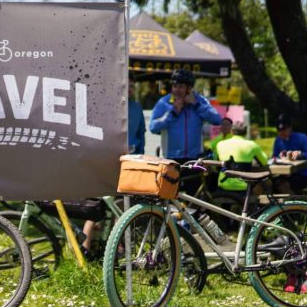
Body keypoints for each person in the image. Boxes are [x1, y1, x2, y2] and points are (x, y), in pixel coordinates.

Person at [82, 79, 145, 257]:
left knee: (121, 206)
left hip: (129, 162)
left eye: (132, 85)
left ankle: (117, 249)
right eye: (126, 85)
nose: (130, 89)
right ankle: (84, 249)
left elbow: (141, 134)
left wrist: (138, 158)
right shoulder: (107, 106)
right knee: (97, 205)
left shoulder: (136, 108)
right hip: (107, 162)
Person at [149, 69, 222, 194]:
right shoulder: (164, 102)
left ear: (190, 88)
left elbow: (217, 119)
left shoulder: (200, 101)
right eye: (174, 86)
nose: (176, 90)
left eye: (181, 87)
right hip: (170, 158)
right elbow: (153, 127)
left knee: (193, 198)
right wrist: (172, 113)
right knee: (169, 196)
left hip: (194, 159)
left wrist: (196, 104)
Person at [215, 121, 269, 192]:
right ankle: (255, 201)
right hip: (244, 187)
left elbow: (215, 165)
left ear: (232, 131)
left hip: (223, 186)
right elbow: (265, 162)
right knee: (268, 181)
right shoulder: (252, 145)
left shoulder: (220, 144)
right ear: (246, 132)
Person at [272, 114, 307, 192]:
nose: (281, 132)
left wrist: (300, 154)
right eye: (279, 130)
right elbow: (273, 157)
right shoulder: (278, 140)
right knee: (268, 183)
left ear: (290, 127)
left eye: (284, 129)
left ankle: (291, 202)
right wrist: (278, 157)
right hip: (284, 174)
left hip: (302, 174)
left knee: (282, 185)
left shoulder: (302, 137)